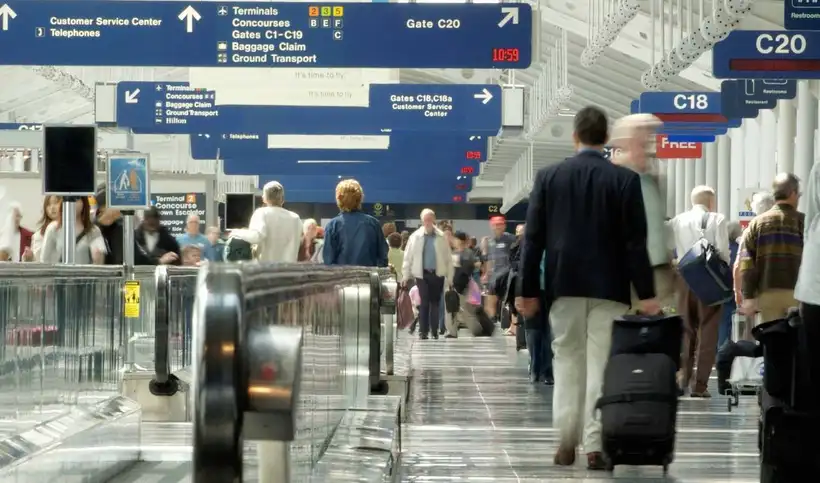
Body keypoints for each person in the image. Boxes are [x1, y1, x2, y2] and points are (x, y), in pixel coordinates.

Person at [515, 106, 658, 470]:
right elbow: (635, 243)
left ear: (575, 137)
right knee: (601, 367)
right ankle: (595, 446)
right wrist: (647, 293)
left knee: (566, 363)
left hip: (564, 288)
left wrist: (527, 289)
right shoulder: (624, 181)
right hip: (610, 290)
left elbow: (533, 241)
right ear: (606, 139)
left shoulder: (549, 178)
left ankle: (565, 440)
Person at [669, 185, 730, 397]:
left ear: (692, 200)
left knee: (686, 329)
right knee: (709, 330)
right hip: (709, 279)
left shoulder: (678, 220)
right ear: (711, 201)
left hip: (684, 278)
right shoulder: (717, 219)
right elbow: (722, 252)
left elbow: (671, 249)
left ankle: (682, 379)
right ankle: (700, 386)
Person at [610, 113, 675, 311]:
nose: (651, 140)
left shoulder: (654, 176)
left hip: (658, 269)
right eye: (645, 135)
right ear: (627, 140)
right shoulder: (615, 175)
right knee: (627, 329)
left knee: (658, 331)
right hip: (625, 271)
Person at [739, 173, 804, 323]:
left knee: (772, 338)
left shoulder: (756, 223)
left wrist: (748, 296)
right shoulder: (803, 222)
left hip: (767, 292)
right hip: (798, 293)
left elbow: (747, 262)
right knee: (798, 340)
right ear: (793, 193)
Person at [401, 209, 453, 340]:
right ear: (422, 221)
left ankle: (434, 331)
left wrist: (450, 277)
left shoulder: (441, 236)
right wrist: (405, 275)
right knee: (424, 302)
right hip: (421, 274)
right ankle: (423, 331)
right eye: (425, 220)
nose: (428, 222)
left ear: (434, 220)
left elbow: (448, 258)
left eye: (430, 219)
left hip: (437, 274)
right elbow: (408, 257)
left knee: (435, 302)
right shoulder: (415, 237)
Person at [231, 180, 303, 263]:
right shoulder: (296, 218)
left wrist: (237, 232)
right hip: (288, 271)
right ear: (282, 199)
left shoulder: (262, 213)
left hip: (266, 271)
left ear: (265, 199)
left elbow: (256, 237)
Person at [322, 179, 387, 267]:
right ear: (360, 198)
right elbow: (383, 258)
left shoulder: (333, 226)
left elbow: (328, 261)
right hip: (368, 278)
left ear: (339, 199)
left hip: (342, 278)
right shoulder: (373, 224)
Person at [40, 197, 107, 264]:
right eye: (67, 199)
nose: (71, 203)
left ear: (83, 203)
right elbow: (44, 259)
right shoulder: (53, 228)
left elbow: (99, 261)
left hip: (83, 273)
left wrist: (98, 256)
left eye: (76, 199)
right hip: (59, 273)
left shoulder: (93, 230)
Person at [485, 216, 516, 322]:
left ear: (504, 226)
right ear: (491, 226)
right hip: (494, 274)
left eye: (500, 224)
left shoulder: (511, 239)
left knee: (507, 299)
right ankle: (491, 320)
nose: (497, 227)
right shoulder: (489, 241)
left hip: (507, 273)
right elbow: (489, 258)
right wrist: (486, 273)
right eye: (495, 225)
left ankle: (510, 322)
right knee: (491, 297)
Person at [719, 221, 743, 349]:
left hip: (721, 289)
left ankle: (721, 350)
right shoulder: (738, 249)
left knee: (723, 322)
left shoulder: (721, 249)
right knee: (730, 322)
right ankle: (727, 349)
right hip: (734, 290)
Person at [31, 195, 62, 261]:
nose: (52, 207)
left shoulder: (72, 229)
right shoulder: (39, 235)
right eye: (48, 204)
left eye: (56, 202)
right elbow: (38, 258)